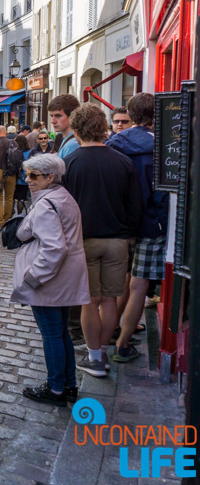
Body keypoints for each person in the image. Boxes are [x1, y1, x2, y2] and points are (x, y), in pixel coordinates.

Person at [63, 104, 142, 377]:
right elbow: (135, 206)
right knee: (109, 300)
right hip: (117, 240)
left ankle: (95, 358)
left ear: (76, 130)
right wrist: (128, 235)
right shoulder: (122, 161)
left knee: (89, 301)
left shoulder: (70, 163)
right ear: (102, 128)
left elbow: (62, 208)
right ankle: (103, 353)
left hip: (83, 240)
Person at [11, 154, 89, 406]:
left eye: (34, 175)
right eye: (27, 174)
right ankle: (68, 385)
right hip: (64, 278)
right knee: (60, 332)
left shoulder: (47, 204)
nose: (28, 180)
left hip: (50, 281)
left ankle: (56, 388)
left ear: (50, 177)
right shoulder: (61, 197)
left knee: (52, 335)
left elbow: (55, 248)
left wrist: (34, 278)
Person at [107, 93, 170, 363]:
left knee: (123, 281)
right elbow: (162, 190)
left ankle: (112, 331)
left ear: (130, 116)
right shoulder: (161, 147)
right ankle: (122, 345)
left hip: (120, 223)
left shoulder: (113, 144)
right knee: (139, 285)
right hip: (149, 223)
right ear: (155, 116)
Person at [11, 135, 31, 215]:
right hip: (24, 177)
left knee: (11, 197)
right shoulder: (29, 152)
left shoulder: (14, 151)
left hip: (14, 176)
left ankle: (10, 212)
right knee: (21, 198)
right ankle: (19, 214)